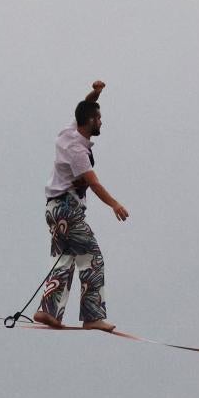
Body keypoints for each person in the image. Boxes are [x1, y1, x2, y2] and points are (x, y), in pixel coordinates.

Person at [33, 80, 129, 331]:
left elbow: (86, 106)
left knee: (66, 258)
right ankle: (92, 316)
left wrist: (95, 94)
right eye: (98, 118)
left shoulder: (69, 131)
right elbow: (94, 184)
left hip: (53, 210)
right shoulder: (77, 151)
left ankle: (48, 311)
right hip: (67, 209)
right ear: (88, 122)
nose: (101, 121)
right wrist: (114, 204)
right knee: (92, 257)